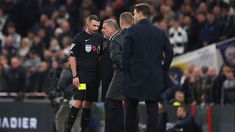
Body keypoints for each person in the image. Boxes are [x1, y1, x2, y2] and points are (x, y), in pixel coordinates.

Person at [122, 3, 174, 132]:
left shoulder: (132, 31)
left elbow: (125, 56)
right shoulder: (159, 32)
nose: (133, 16)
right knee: (152, 109)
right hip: (154, 76)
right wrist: (164, 69)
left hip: (134, 76)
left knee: (131, 109)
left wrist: (126, 73)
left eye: (134, 13)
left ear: (140, 14)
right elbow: (170, 53)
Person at [65, 15, 103, 132]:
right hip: (82, 77)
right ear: (88, 23)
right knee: (78, 101)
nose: (96, 28)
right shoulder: (79, 37)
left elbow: (100, 57)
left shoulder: (99, 38)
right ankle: (68, 129)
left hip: (94, 78)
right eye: (94, 25)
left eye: (98, 26)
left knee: (88, 104)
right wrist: (75, 75)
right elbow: (72, 58)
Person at [103, 12, 133, 132]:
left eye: (104, 28)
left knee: (110, 103)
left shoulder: (117, 39)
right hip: (133, 77)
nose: (102, 30)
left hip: (120, 76)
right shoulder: (135, 37)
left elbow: (116, 57)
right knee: (127, 107)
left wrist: (127, 68)